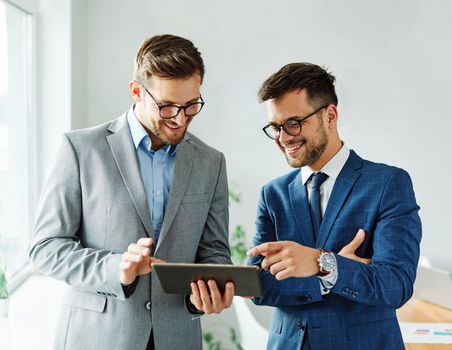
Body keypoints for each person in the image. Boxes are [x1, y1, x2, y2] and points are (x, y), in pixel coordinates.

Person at [30, 34, 234, 350]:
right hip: (97, 338)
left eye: (191, 105)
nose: (180, 119)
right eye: (167, 107)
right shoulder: (81, 149)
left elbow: (215, 251)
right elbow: (45, 247)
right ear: (137, 91)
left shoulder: (211, 162)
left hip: (177, 338)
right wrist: (116, 269)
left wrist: (209, 291)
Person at [247, 62, 421, 349]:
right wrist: (333, 272)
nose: (283, 137)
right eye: (275, 127)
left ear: (330, 115)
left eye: (293, 123)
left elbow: (395, 285)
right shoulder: (273, 194)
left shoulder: (388, 183)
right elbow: (259, 286)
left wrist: (319, 262)